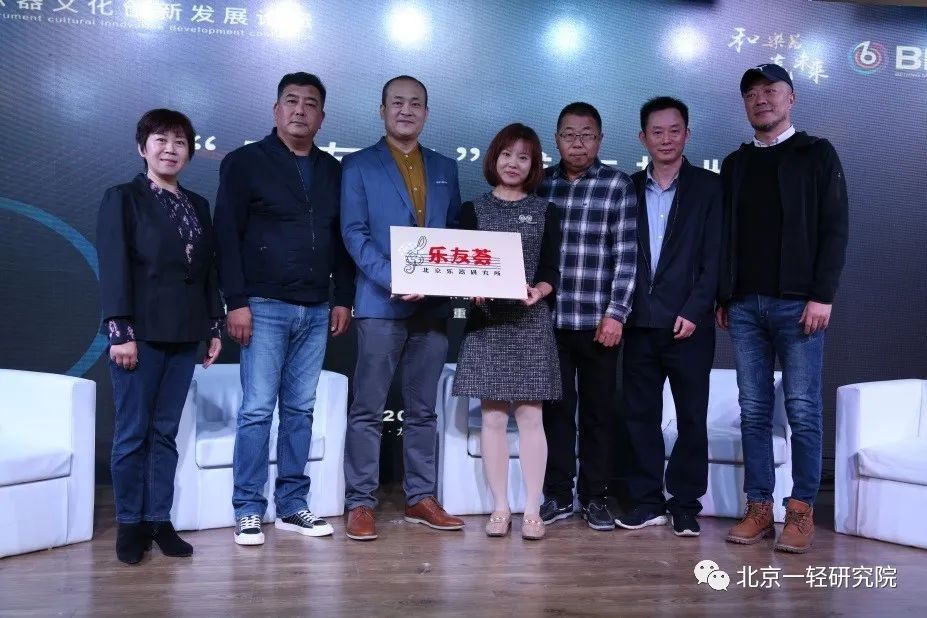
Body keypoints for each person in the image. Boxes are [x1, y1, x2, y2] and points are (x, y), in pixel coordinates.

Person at [213, 72, 355, 546]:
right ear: (276, 110)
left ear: (321, 117)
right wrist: (236, 301)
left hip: (316, 308)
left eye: (310, 104)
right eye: (291, 101)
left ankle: (293, 504)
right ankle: (248, 508)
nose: (300, 110)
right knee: (257, 410)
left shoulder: (333, 170)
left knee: (300, 410)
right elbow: (226, 236)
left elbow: (342, 239)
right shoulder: (244, 162)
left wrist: (344, 297)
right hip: (263, 304)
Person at [718, 64, 848, 553]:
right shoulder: (735, 163)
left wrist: (822, 295)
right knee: (753, 410)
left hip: (799, 305)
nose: (761, 99)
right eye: (751, 93)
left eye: (770, 90)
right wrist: (724, 295)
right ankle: (759, 508)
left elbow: (835, 227)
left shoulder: (817, 153)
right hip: (744, 306)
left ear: (790, 98)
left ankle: (800, 511)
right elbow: (725, 235)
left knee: (802, 409)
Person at [97, 108, 224, 564]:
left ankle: (158, 520)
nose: (171, 149)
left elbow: (207, 272)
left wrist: (213, 325)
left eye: (180, 142)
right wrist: (120, 331)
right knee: (133, 432)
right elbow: (113, 267)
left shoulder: (198, 204)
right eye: (161, 140)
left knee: (165, 433)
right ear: (142, 147)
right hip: (139, 335)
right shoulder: (123, 198)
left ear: (189, 151)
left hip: (185, 333)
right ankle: (130, 524)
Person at [340, 75, 463, 541]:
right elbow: (354, 233)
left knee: (423, 410)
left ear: (426, 113)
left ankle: (420, 497)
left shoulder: (445, 167)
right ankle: (360, 501)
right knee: (368, 407)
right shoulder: (357, 165)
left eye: (415, 104)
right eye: (397, 102)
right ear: (382, 110)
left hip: (432, 306)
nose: (406, 110)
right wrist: (396, 277)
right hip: (380, 301)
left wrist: (438, 279)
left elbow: (453, 235)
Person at [617, 97, 721, 538]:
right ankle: (647, 502)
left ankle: (684, 504)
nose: (665, 139)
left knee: (692, 418)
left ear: (687, 134)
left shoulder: (710, 187)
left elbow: (716, 257)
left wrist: (695, 309)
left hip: (688, 324)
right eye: (656, 132)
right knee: (639, 416)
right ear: (642, 138)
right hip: (638, 321)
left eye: (674, 130)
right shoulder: (625, 188)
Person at [453, 123, 562, 541]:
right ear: (493, 158)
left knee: (531, 417)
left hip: (530, 322)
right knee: (493, 418)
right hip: (487, 324)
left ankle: (532, 508)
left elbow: (551, 269)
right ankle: (500, 507)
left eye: (523, 157)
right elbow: (461, 268)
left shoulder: (545, 211)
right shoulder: (472, 210)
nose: (513, 163)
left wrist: (540, 290)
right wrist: (472, 289)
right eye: (506, 154)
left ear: (534, 165)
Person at [538, 102, 638, 531]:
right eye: (569, 134)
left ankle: (595, 497)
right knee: (555, 413)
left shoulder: (617, 185)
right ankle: (558, 495)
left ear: (600, 140)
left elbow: (627, 257)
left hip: (600, 323)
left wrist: (617, 314)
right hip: (549, 322)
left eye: (586, 135)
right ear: (556, 139)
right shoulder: (540, 184)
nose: (577, 143)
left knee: (598, 415)